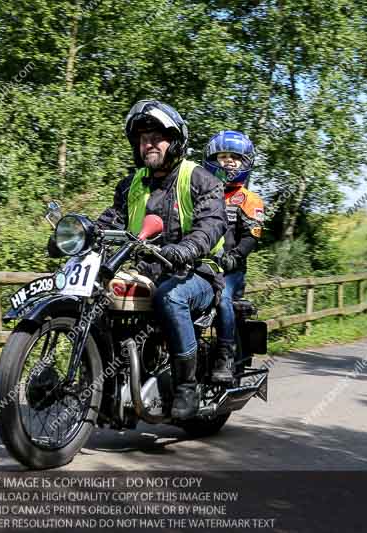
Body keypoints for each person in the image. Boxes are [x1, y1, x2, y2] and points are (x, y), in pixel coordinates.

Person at [92, 100, 228, 419]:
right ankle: (104, 382)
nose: (148, 143)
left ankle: (187, 385)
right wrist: (81, 236)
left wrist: (186, 248)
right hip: (147, 271)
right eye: (142, 137)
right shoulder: (132, 184)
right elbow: (112, 220)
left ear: (175, 140)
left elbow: (212, 223)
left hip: (198, 272)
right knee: (98, 297)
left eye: (157, 136)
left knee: (171, 297)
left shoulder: (198, 178)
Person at [202, 131, 264, 382]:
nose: (228, 162)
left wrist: (234, 257)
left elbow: (252, 236)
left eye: (234, 158)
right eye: (223, 156)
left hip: (231, 271)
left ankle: (225, 352)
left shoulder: (249, 199)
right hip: (200, 265)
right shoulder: (203, 193)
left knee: (223, 297)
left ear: (245, 162)